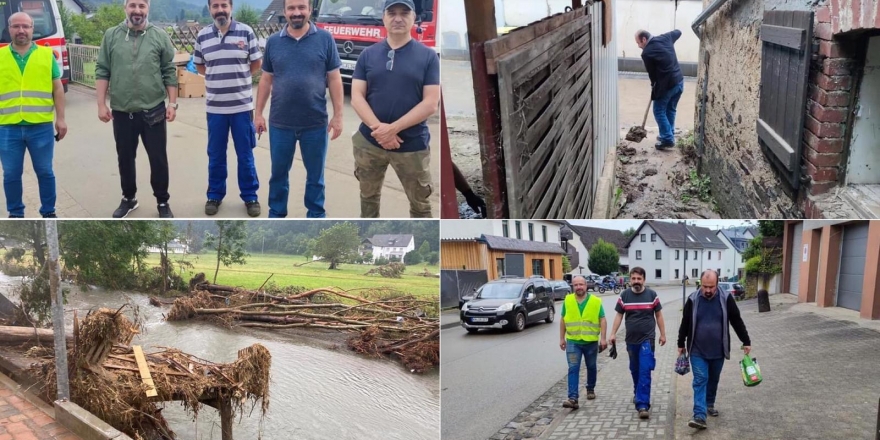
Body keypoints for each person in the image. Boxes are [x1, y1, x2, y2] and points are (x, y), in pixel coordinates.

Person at [350, 0, 440, 218]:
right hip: (369, 143)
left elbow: (430, 103)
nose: (398, 18)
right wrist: (380, 130)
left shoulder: (428, 57)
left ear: (414, 18)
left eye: (404, 13)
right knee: (368, 199)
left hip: (411, 146)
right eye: (392, 13)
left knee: (420, 205)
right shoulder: (368, 55)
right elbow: (356, 97)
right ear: (384, 18)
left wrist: (393, 129)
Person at [254, 0, 343, 218]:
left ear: (310, 10)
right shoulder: (274, 42)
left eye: (301, 7)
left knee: (315, 177)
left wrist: (338, 115)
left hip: (315, 123)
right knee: (278, 175)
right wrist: (258, 114)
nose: (297, 13)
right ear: (284, 11)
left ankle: (315, 215)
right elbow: (266, 80)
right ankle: (276, 213)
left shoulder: (325, 39)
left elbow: (334, 78)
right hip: (280, 124)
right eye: (292, 8)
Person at [96, 0, 178, 218]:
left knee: (158, 158)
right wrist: (101, 104)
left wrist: (173, 103)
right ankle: (129, 198)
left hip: (154, 110)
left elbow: (170, 71)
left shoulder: (159, 36)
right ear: (125, 8)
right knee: (125, 157)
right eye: (132, 5)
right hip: (122, 111)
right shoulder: (112, 35)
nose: (137, 10)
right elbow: (102, 70)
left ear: (148, 8)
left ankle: (162, 201)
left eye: (142, 6)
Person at [193, 0, 263, 217]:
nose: (220, 10)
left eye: (224, 5)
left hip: (242, 107)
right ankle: (214, 195)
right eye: (215, 6)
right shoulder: (203, 36)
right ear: (210, 9)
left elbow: (256, 64)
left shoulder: (246, 32)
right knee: (215, 154)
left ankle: (250, 197)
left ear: (231, 7)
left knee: (245, 154)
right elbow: (200, 65)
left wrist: (238, 79)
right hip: (215, 109)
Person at [0, 12, 66, 218]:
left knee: (45, 172)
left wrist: (61, 119)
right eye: (16, 26)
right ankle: (15, 213)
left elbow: (57, 89)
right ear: (9, 29)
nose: (21, 30)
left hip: (41, 126)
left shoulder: (46, 55)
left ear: (32, 29)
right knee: (11, 174)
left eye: (26, 26)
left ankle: (49, 212)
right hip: (7, 126)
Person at [677, 269, 752, 430]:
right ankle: (699, 416)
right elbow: (685, 322)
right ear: (700, 284)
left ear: (717, 284)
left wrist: (746, 340)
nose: (708, 290)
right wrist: (680, 343)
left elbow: (736, 320)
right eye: (705, 286)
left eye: (711, 287)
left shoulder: (726, 298)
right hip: (697, 350)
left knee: (713, 379)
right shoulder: (692, 299)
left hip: (719, 350)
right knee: (700, 379)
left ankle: (709, 403)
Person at [609, 267, 666, 419]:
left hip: (648, 339)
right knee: (635, 369)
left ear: (644, 280)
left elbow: (659, 316)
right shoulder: (624, 296)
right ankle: (637, 392)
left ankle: (642, 404)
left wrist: (663, 334)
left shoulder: (652, 295)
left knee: (645, 370)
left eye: (638, 279)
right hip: (631, 340)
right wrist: (613, 333)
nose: (636, 282)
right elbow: (619, 316)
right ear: (630, 280)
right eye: (633, 279)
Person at [559, 275, 608, 409]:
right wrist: (561, 338)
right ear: (572, 286)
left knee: (591, 367)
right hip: (573, 341)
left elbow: (602, 320)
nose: (579, 287)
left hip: (590, 342)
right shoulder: (568, 300)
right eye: (576, 285)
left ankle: (590, 388)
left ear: (586, 286)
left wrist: (603, 338)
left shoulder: (596, 301)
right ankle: (573, 398)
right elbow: (563, 319)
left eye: (581, 284)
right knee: (573, 368)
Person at [635, 29, 684, 150]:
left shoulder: (646, 53)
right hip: (679, 82)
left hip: (667, 86)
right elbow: (678, 32)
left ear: (644, 39)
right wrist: (669, 42)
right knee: (670, 109)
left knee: (658, 110)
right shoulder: (666, 37)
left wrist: (654, 89)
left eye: (638, 43)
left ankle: (667, 138)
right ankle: (668, 133)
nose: (638, 46)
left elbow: (653, 75)